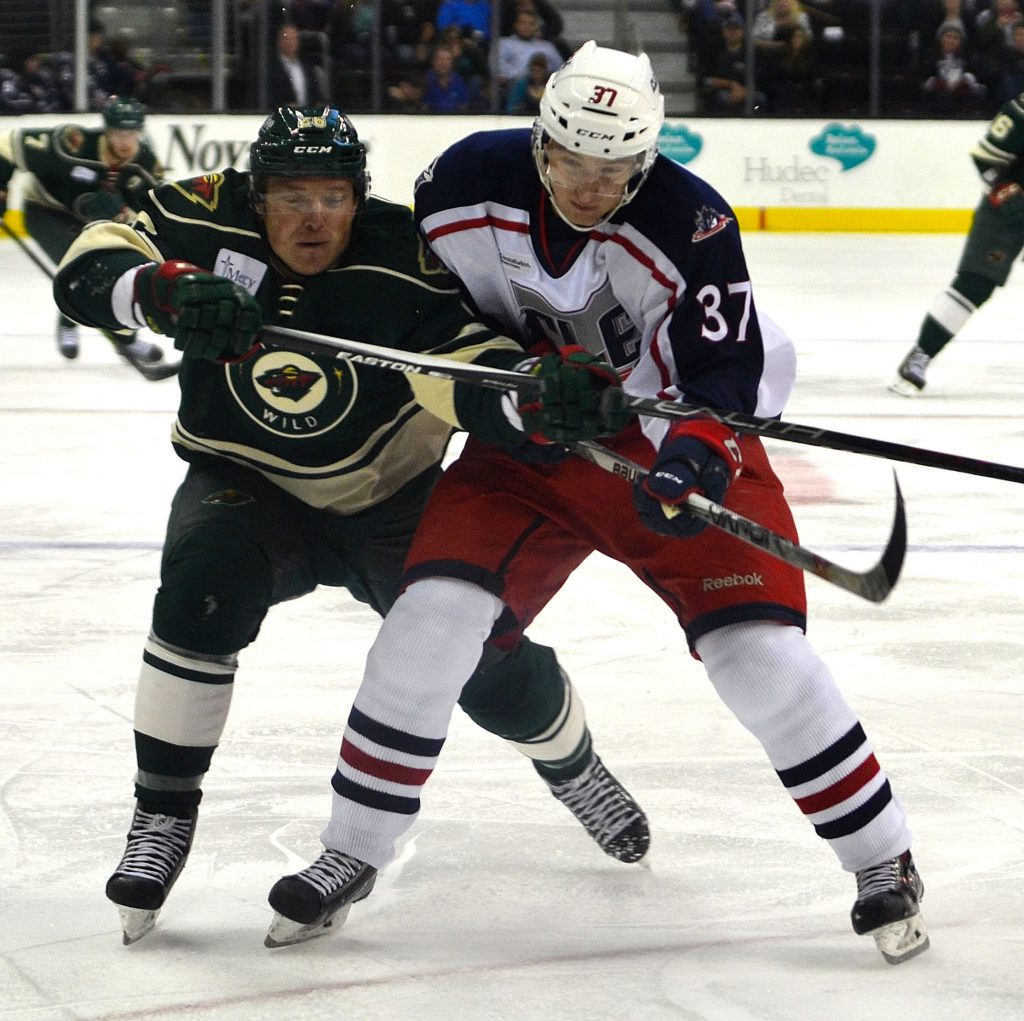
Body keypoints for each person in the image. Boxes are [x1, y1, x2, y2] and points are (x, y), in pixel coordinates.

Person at [266, 44, 930, 967]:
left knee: (756, 650)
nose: (591, 183)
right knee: (429, 622)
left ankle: (880, 859)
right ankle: (352, 849)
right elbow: (420, 315)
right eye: (574, 161)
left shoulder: (690, 221)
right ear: (543, 140)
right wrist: (508, 393)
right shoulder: (461, 182)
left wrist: (696, 456)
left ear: (646, 157)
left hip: (666, 439)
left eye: (615, 167)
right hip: (526, 444)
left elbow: (727, 366)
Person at [51, 104, 650, 945]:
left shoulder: (407, 256)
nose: (311, 216)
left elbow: (463, 370)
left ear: (358, 196)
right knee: (198, 593)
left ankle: (573, 765)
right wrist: (158, 289)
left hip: (388, 500)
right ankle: (161, 817)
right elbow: (90, 263)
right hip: (246, 482)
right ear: (256, 195)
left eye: (331, 196)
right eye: (290, 195)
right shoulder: (202, 208)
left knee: (481, 659)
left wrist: (531, 395)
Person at [0, 95, 166, 365]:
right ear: (106, 130)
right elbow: (7, 145)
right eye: (118, 133)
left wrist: (124, 213)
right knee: (79, 268)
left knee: (112, 273)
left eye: (132, 133)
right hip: (46, 211)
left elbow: (154, 211)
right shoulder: (72, 144)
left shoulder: (145, 165)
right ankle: (86, 329)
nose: (125, 141)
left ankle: (114, 336)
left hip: (94, 225)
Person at [891, 91, 1024, 395]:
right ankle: (921, 354)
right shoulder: (1020, 111)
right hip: (1010, 206)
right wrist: (1005, 192)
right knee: (975, 284)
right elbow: (987, 158)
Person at [268, 23, 326, 107]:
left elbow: (316, 95)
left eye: (293, 39)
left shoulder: (308, 67)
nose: (290, 42)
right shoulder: (270, 68)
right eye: (286, 38)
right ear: (279, 42)